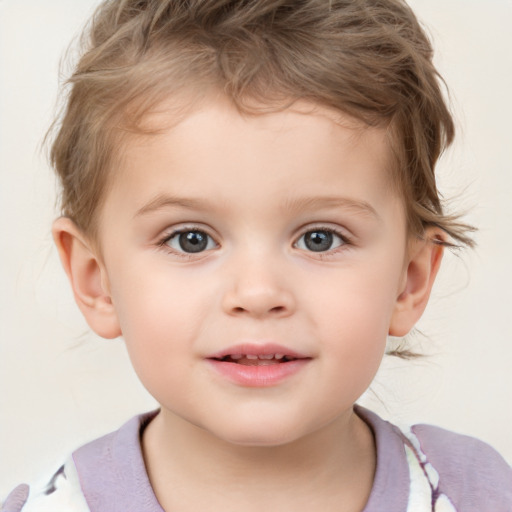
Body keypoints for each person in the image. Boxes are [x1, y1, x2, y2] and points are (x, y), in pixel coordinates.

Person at [2, 0, 511, 511]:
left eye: (320, 238)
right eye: (190, 239)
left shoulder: (479, 494)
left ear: (410, 279)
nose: (258, 293)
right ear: (97, 280)